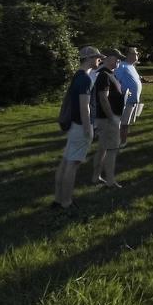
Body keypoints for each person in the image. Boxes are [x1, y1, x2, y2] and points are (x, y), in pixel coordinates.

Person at [53, 46, 102, 211]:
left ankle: (58, 199)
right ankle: (66, 202)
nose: (99, 60)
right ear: (89, 58)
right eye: (97, 57)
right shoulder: (86, 79)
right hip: (81, 126)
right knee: (72, 164)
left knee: (66, 161)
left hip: (74, 125)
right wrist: (89, 129)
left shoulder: (78, 76)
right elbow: (84, 107)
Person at [91, 49, 126, 188]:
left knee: (103, 148)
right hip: (107, 119)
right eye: (117, 58)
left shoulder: (110, 74)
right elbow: (103, 98)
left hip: (107, 118)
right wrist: (112, 117)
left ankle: (95, 177)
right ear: (108, 58)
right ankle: (110, 181)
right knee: (112, 149)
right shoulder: (103, 75)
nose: (119, 60)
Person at [115, 47, 143, 146]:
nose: (137, 55)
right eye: (135, 53)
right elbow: (115, 81)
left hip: (133, 100)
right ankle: (120, 142)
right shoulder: (122, 66)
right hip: (125, 100)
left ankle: (122, 141)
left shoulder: (131, 66)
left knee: (126, 123)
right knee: (123, 123)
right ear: (128, 55)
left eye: (137, 53)